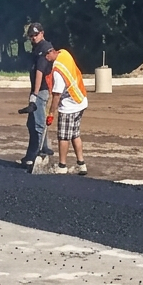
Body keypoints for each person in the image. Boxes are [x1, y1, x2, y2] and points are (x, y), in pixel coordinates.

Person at [44, 46, 88, 175]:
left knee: (63, 136)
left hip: (70, 106)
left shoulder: (57, 71)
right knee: (75, 134)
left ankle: (62, 166)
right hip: (81, 100)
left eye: (46, 56)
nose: (45, 59)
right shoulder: (64, 53)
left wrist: (51, 113)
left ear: (51, 52)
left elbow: (56, 95)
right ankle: (81, 164)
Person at [20, 23, 54, 169]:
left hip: (40, 91)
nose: (34, 38)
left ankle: (40, 153)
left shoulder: (44, 48)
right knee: (31, 123)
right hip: (36, 90)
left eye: (36, 34)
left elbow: (40, 72)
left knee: (39, 123)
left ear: (42, 33)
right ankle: (33, 152)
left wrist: (35, 94)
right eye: (31, 36)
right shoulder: (37, 48)